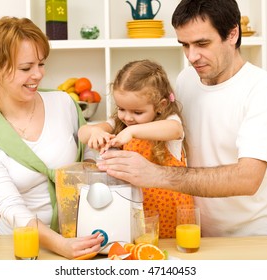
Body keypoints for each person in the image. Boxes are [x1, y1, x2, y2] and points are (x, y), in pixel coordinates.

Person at [96, 0, 267, 237]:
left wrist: (156, 175)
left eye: (202, 43)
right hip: (192, 232)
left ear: (232, 33)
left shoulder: (263, 88)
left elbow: (247, 179)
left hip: (251, 234)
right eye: (184, 45)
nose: (192, 56)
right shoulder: (187, 79)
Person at [0, 16, 103, 259]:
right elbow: (11, 207)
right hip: (23, 248)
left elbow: (88, 150)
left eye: (41, 64)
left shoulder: (63, 103)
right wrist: (61, 246)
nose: (38, 75)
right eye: (26, 68)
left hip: (78, 237)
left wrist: (88, 170)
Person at [78, 59, 194, 238]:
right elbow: (82, 133)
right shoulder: (120, 123)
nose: (127, 117)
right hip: (137, 211)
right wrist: (94, 132)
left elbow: (175, 130)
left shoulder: (168, 122)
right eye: (121, 109)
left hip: (171, 215)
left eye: (137, 112)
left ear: (160, 106)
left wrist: (132, 131)